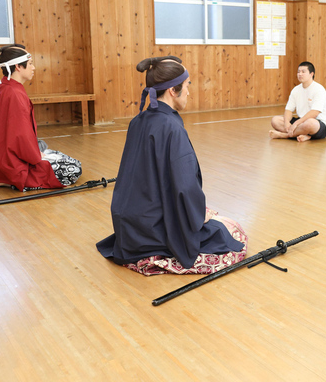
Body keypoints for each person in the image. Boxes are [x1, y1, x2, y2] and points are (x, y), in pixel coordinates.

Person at [96, 56, 246, 273]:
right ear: (172, 91)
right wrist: (197, 216)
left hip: (129, 224)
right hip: (151, 229)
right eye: (187, 86)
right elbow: (185, 186)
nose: (189, 92)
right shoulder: (171, 127)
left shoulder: (138, 120)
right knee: (228, 233)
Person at [0, 44, 82, 191]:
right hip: (13, 165)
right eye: (30, 64)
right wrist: (36, 156)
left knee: (49, 150)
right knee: (74, 167)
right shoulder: (15, 94)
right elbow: (21, 136)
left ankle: (4, 176)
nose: (33, 68)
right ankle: (12, 180)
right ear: (18, 67)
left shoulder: (0, 89)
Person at [269, 61, 326, 142]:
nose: (300, 74)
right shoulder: (296, 90)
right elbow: (288, 110)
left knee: (310, 124)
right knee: (275, 120)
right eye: (298, 72)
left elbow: (314, 113)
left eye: (303, 72)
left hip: (317, 123)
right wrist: (287, 123)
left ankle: (285, 135)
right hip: (301, 121)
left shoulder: (319, 89)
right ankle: (306, 135)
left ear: (311, 74)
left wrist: (296, 124)